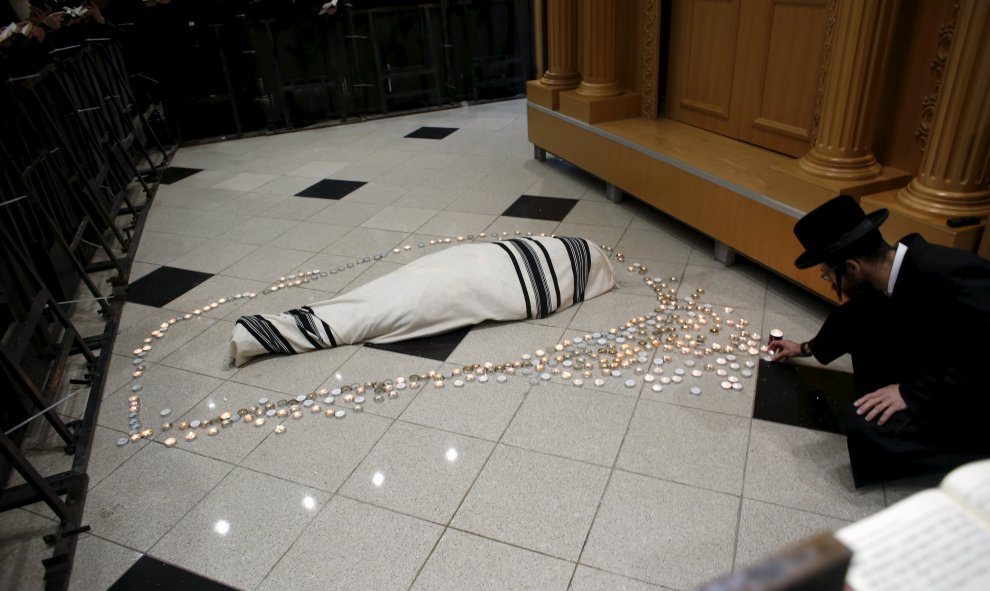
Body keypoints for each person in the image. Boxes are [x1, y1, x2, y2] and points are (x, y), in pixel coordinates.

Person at [770, 195, 990, 487]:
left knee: (866, 429)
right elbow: (853, 319)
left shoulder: (946, 272)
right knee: (863, 317)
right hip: (943, 364)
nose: (831, 284)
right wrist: (804, 348)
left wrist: (911, 392)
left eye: (827, 275)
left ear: (852, 266)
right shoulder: (891, 274)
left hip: (976, 389)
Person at [227, 235, 615, 367]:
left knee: (386, 308)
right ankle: (266, 332)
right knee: (388, 298)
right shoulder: (568, 255)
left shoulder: (570, 260)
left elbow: (516, 294)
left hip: (466, 284)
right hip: (465, 269)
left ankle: (262, 334)